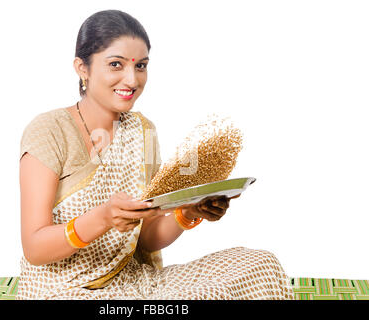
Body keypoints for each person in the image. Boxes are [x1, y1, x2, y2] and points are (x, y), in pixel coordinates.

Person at [16, 9, 294, 300]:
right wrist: (103, 218)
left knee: (260, 265)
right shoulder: (49, 130)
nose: (132, 79)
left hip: (134, 282)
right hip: (66, 289)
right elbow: (35, 248)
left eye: (141, 66)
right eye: (116, 65)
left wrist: (188, 212)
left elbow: (148, 238)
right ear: (82, 68)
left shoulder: (142, 131)